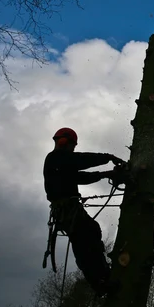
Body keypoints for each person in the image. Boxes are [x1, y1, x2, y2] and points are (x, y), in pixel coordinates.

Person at [43, 127, 126, 297]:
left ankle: (102, 277)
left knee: (90, 234)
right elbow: (80, 160)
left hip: (68, 209)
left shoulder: (61, 164)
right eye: (72, 146)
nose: (73, 149)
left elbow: (81, 177)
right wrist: (108, 158)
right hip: (67, 210)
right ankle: (101, 281)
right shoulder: (56, 157)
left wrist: (105, 174)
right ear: (64, 142)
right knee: (85, 242)